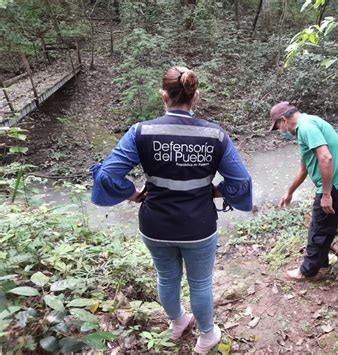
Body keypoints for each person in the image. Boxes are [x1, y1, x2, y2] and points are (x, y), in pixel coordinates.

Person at [90, 66, 252, 353]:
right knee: (200, 283)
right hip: (199, 226)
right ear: (196, 97)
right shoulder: (216, 135)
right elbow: (240, 181)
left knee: (166, 277)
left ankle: (177, 323)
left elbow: (107, 176)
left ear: (163, 96)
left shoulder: (140, 132)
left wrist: (133, 194)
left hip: (155, 225)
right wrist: (212, 190)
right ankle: (206, 336)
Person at [269, 101, 338, 281]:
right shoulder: (308, 123)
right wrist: (290, 192)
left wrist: (326, 194)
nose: (280, 131)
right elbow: (304, 168)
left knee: (318, 229)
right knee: (325, 226)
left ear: (284, 120)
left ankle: (307, 272)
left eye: (278, 126)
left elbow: (325, 158)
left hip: (337, 187)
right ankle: (322, 265)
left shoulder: (307, 127)